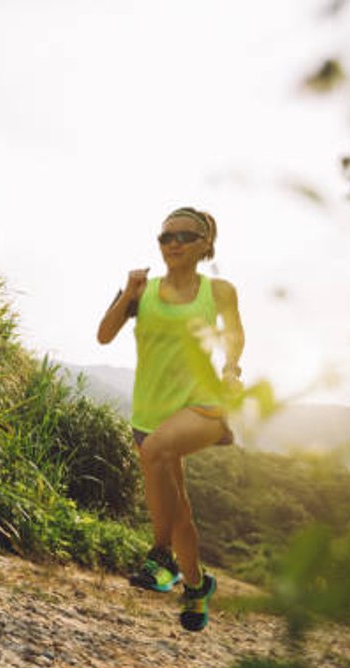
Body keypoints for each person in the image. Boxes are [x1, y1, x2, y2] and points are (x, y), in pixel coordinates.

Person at [97, 206, 244, 632]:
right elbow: (104, 335)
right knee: (180, 511)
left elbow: (234, 334)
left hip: (203, 404)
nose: (174, 244)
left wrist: (231, 371)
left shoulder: (218, 291)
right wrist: (128, 292)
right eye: (166, 237)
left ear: (205, 245)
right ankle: (196, 587)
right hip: (150, 410)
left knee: (157, 452)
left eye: (184, 236)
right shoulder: (143, 290)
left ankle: (160, 556)